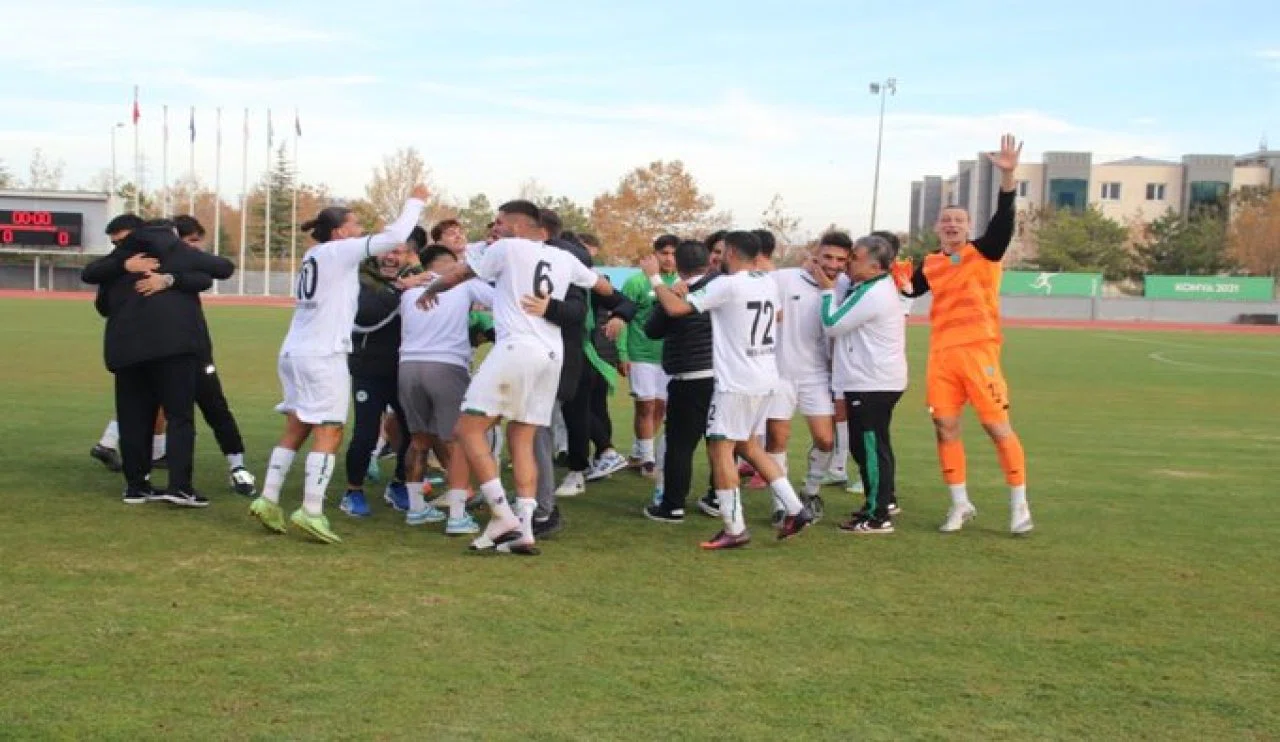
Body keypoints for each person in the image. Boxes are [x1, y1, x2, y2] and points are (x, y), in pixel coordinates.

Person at [414, 199, 617, 556]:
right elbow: (602, 287)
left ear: (518, 226)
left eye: (500, 221)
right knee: (522, 437)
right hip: (551, 356)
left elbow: (460, 274)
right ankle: (525, 529)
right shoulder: (565, 258)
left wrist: (430, 290)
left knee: (468, 429)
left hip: (516, 350)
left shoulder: (507, 248)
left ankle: (502, 514)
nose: (495, 227)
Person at [248, 185, 428, 544]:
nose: (360, 229)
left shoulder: (314, 255)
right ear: (340, 231)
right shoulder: (338, 251)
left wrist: (397, 283)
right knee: (329, 431)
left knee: (296, 427)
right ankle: (311, 511)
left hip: (294, 350)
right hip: (323, 354)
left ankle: (268, 499)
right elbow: (394, 235)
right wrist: (416, 201)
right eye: (355, 224)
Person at [642, 231, 813, 550]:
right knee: (748, 446)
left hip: (737, 381)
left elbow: (676, 310)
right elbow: (777, 315)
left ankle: (735, 528)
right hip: (765, 376)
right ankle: (795, 509)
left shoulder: (727, 284)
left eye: (721, 252)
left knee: (720, 448)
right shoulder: (766, 281)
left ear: (732, 252)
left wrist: (655, 278)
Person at [900, 134, 1033, 535]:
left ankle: (1019, 505)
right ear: (938, 227)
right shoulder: (931, 264)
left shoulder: (985, 252)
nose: (952, 225)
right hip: (942, 357)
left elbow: (1004, 220)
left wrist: (1008, 178)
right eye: (946, 220)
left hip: (979, 354)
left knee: (997, 428)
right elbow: (907, 291)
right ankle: (960, 504)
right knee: (944, 427)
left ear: (968, 226)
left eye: (959, 220)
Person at [81, 218, 235, 507]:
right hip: (173, 347)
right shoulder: (178, 251)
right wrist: (173, 279)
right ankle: (180, 487)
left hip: (125, 350)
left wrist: (126, 272)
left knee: (133, 419)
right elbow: (221, 270)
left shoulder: (121, 257)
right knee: (179, 416)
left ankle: (136, 487)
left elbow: (97, 292)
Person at [815, 234, 908, 534]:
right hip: (874, 380)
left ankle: (877, 515)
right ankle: (882, 502)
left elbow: (832, 324)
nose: (847, 263)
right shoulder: (868, 286)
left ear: (874, 265)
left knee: (869, 447)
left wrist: (827, 291)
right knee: (870, 445)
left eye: (854, 258)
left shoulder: (874, 293)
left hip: (873, 382)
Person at [398, 244, 494, 534]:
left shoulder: (409, 290)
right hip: (447, 366)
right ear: (452, 266)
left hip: (408, 366)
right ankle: (457, 514)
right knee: (457, 442)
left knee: (418, 440)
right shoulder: (464, 286)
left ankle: (416, 509)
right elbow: (504, 300)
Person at [761, 233, 846, 523]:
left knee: (825, 439)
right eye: (828, 257)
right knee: (777, 438)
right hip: (780, 374)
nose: (833, 264)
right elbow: (753, 283)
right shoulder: (785, 278)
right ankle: (781, 503)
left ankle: (810, 491)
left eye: (840, 259)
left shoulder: (844, 286)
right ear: (815, 254)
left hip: (817, 375)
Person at [172, 215, 257, 497]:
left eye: (198, 241)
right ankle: (147, 473)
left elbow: (213, 273)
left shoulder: (188, 268)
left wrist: (173, 279)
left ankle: (237, 466)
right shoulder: (148, 264)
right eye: (191, 241)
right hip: (163, 352)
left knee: (215, 406)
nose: (196, 248)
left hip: (196, 351)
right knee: (152, 407)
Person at [338, 243, 419, 518]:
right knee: (365, 433)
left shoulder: (419, 281)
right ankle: (353, 491)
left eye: (398, 252)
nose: (390, 256)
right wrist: (400, 287)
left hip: (403, 370)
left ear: (409, 256)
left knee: (412, 431)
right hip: (368, 370)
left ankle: (398, 484)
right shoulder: (360, 281)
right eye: (386, 250)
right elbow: (366, 313)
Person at [641, 240, 718, 523]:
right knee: (720, 443)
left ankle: (672, 505)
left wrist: (663, 290)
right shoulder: (722, 286)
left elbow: (652, 329)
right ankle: (719, 498)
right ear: (709, 261)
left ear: (679, 267)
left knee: (680, 446)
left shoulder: (679, 292)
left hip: (690, 378)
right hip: (722, 378)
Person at [615, 235, 679, 478]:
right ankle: (649, 460)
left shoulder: (682, 282)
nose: (669, 259)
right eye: (664, 253)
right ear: (655, 254)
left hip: (668, 357)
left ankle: (639, 451)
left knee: (660, 407)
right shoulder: (636, 282)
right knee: (645, 405)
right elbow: (623, 318)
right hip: (640, 353)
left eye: (674, 254)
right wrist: (622, 353)